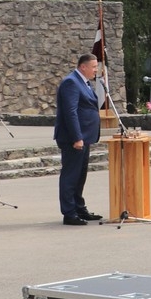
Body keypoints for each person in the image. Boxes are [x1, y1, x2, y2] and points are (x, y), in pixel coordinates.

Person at [54, 53, 103, 225]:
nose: (96, 70)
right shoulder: (71, 82)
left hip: (85, 137)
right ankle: (69, 213)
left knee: (80, 175)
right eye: (94, 67)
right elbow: (70, 112)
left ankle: (79, 208)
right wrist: (77, 137)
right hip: (74, 139)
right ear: (83, 67)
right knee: (71, 176)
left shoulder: (85, 83)